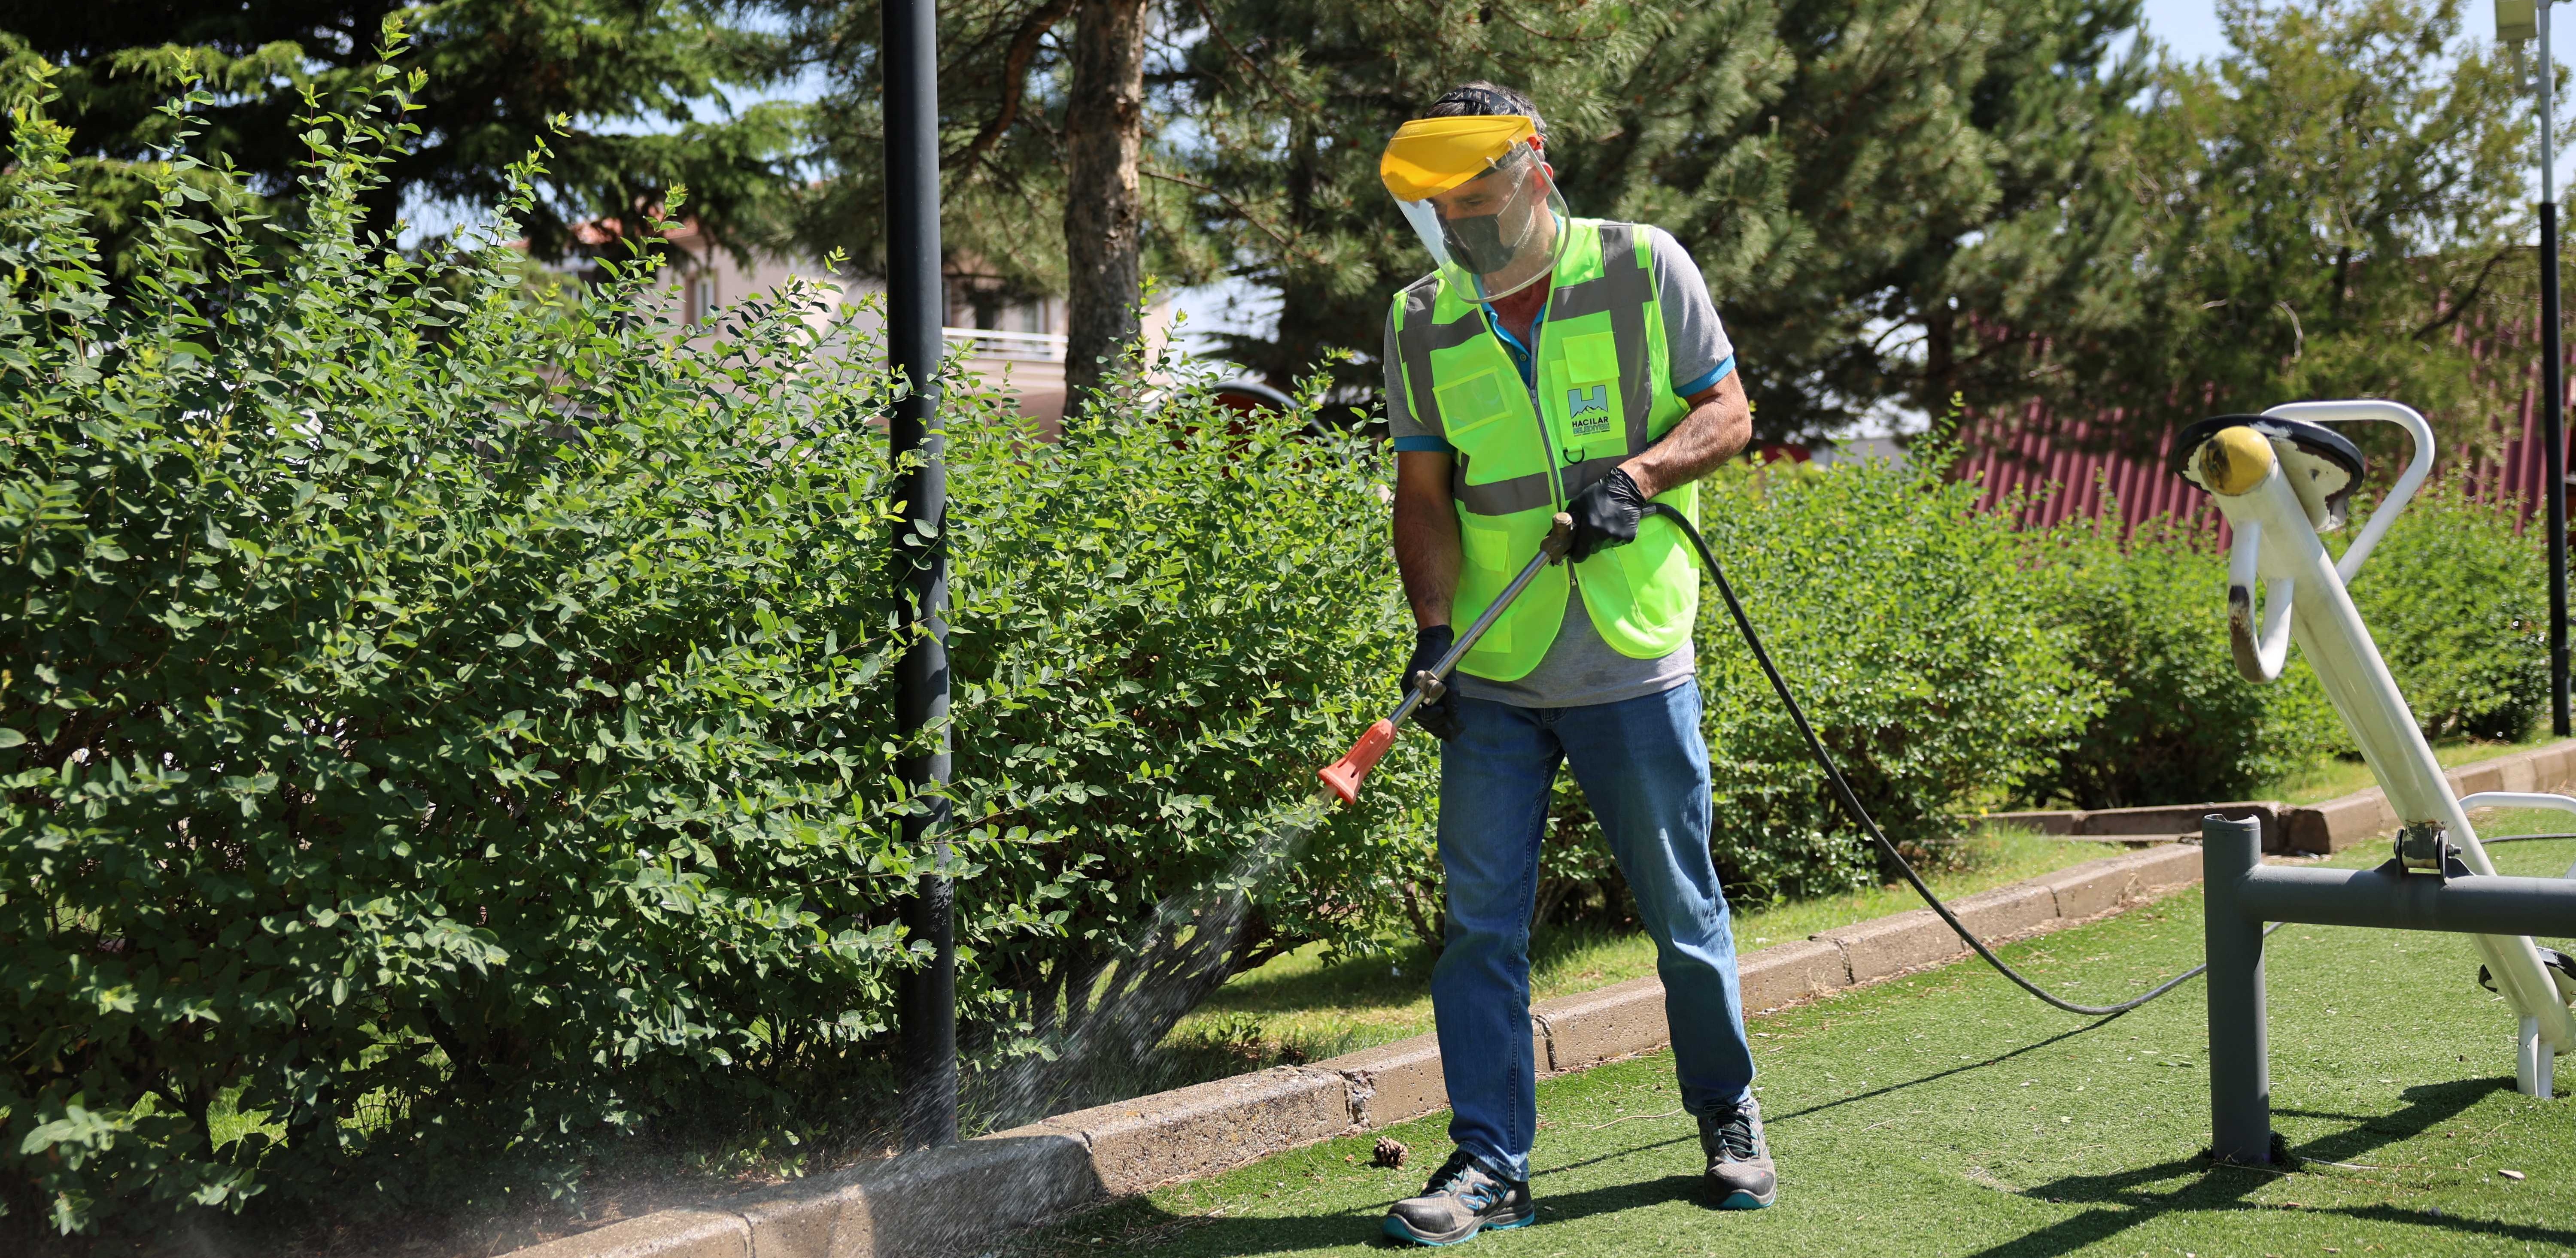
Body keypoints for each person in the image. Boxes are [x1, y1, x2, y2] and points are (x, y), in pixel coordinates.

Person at [1373, 82, 1766, 1246]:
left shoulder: (1644, 267)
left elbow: (1730, 412)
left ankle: (1728, 1116)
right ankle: (1491, 1163)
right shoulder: (1421, 318)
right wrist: (1437, 631)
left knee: (1680, 908)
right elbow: (1424, 490)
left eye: (1481, 202)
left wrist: (1638, 478)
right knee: (1479, 927)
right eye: (1445, 212)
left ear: (1536, 170)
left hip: (1632, 659)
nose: (1468, 230)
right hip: (1495, 672)